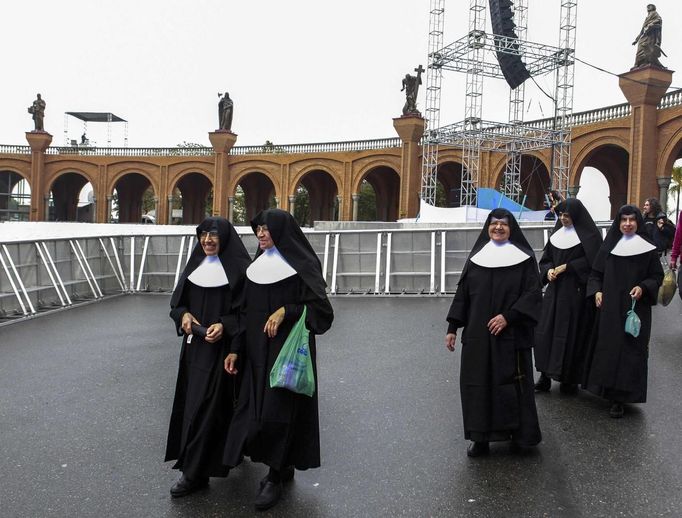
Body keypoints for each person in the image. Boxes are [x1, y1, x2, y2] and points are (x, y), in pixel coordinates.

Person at [223, 208, 334, 511]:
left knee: (279, 413)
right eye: (257, 229)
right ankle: (280, 466)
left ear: (281, 232)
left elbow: (323, 314)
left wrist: (288, 310)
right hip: (255, 356)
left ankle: (275, 475)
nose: (260, 234)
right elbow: (242, 314)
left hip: (285, 357)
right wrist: (235, 348)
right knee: (253, 413)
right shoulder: (254, 269)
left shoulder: (302, 267)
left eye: (266, 229)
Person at [445, 208, 542, 457]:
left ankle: (519, 436)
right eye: (494, 223)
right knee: (478, 386)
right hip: (478, 336)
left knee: (514, 386)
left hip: (512, 337)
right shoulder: (478, 257)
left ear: (512, 229)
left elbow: (532, 294)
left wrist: (508, 317)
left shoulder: (524, 258)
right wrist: (453, 327)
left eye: (504, 224)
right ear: (487, 227)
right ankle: (480, 438)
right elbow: (463, 295)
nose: (498, 228)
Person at [165, 217, 252, 497]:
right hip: (193, 351)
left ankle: (193, 473)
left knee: (209, 409)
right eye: (203, 234)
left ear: (224, 238)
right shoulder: (195, 266)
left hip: (223, 352)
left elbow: (248, 312)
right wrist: (185, 316)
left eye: (213, 234)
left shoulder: (240, 271)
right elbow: (177, 305)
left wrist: (226, 326)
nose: (207, 240)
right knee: (193, 407)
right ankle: (210, 462)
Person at [583, 205, 663, 418]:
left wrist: (643, 287)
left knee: (629, 351)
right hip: (609, 309)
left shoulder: (647, 248)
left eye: (631, 220)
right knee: (610, 350)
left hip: (635, 308)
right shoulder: (609, 246)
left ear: (638, 222)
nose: (627, 224)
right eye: (623, 220)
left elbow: (657, 276)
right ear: (618, 223)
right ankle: (608, 392)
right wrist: (597, 291)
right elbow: (595, 274)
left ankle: (621, 398)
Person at [534, 199, 602, 394]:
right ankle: (545, 376)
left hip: (576, 295)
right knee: (546, 333)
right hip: (554, 294)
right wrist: (547, 272)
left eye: (567, 216)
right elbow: (546, 259)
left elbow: (594, 263)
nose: (563, 219)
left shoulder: (590, 236)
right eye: (561, 215)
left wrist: (569, 267)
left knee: (572, 335)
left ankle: (569, 379)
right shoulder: (557, 235)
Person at [632, 4, 664, 68]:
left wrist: (652, 23)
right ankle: (638, 63)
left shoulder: (654, 13)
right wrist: (636, 40)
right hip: (644, 35)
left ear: (654, 7)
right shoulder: (647, 17)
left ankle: (647, 62)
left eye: (650, 6)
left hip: (650, 35)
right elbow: (642, 29)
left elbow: (659, 20)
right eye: (647, 7)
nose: (648, 7)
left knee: (647, 48)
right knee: (640, 49)